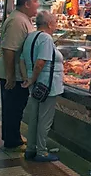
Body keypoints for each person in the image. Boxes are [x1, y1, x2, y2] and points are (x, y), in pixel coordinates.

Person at [0, 0, 39, 150]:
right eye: (35, 1)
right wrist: (10, 76)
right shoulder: (17, 21)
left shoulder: (23, 19)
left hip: (18, 73)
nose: (38, 4)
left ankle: (11, 136)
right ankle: (11, 140)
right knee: (13, 107)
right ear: (26, 4)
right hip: (14, 74)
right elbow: (9, 50)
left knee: (15, 107)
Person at [19, 11, 64, 162]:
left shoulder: (31, 36)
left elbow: (22, 60)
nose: (56, 25)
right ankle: (42, 152)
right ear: (49, 24)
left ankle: (31, 149)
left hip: (37, 84)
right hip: (46, 85)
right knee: (44, 120)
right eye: (55, 22)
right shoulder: (45, 38)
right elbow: (40, 63)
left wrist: (28, 79)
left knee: (34, 118)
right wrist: (32, 79)